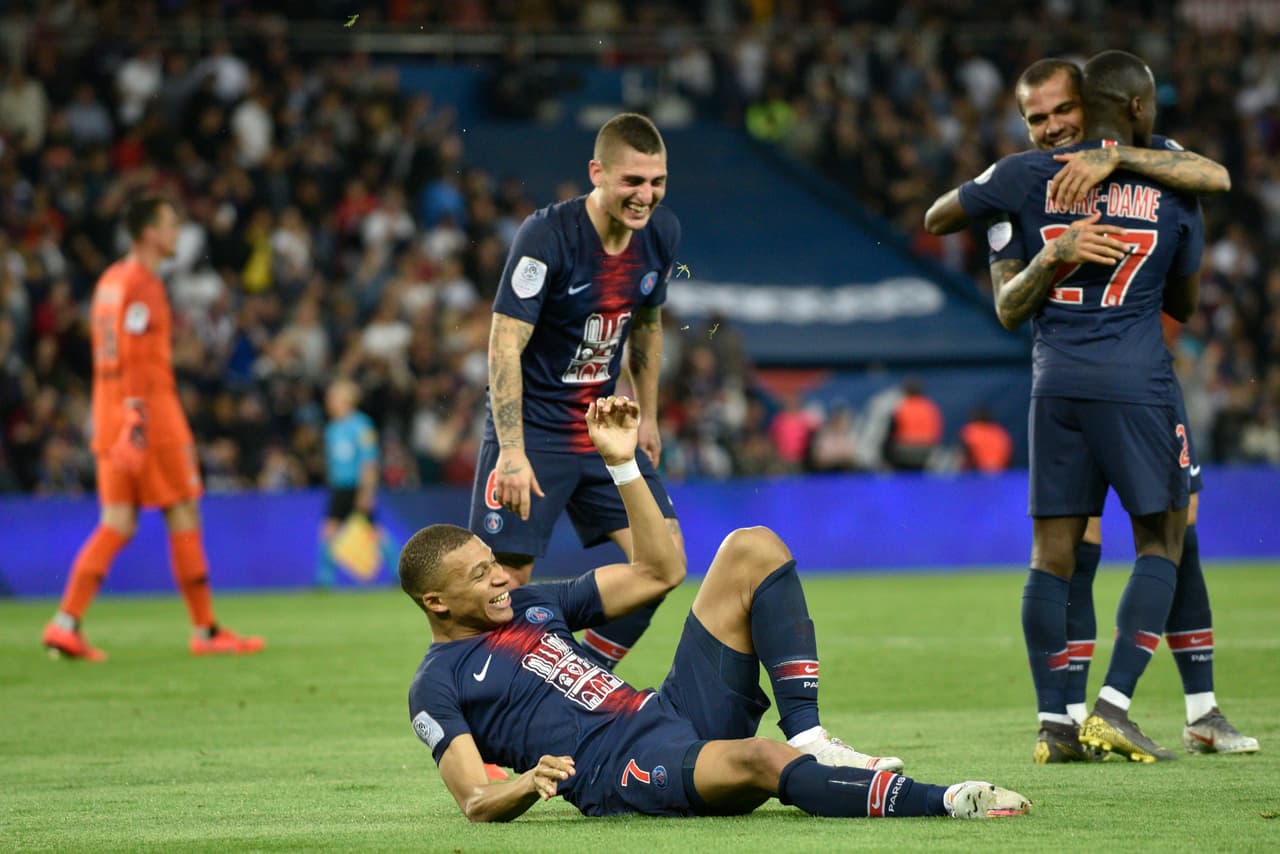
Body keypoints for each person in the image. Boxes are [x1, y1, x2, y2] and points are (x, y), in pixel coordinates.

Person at [404, 394, 1029, 822]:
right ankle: (945, 801)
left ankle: (809, 735)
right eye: (480, 574)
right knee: (759, 760)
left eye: (494, 562)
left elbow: (660, 571)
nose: (500, 577)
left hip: (668, 711)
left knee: (750, 547)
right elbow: (475, 802)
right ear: (435, 601)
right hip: (620, 770)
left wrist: (623, 465)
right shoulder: (438, 685)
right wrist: (526, 782)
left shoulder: (533, 603)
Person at [926, 57, 1256, 760]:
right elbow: (1188, 293)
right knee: (1163, 536)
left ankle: (1065, 721)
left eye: (1059, 113)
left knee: (1065, 552)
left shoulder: (1024, 180)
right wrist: (1060, 243)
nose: (1050, 129)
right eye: (1035, 119)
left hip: (1057, 385)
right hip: (1137, 383)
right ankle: (1107, 706)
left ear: (1089, 103)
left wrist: (1027, 207)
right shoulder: (1164, 174)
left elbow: (940, 216)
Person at [471, 112, 684, 671]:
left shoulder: (661, 235)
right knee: (501, 587)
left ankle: (585, 677)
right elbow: (502, 346)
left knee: (665, 562)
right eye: (632, 181)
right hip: (535, 432)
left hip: (603, 432)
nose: (646, 196)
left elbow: (646, 326)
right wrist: (511, 452)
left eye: (657, 181)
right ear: (598, 172)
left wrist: (651, 418)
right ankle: (484, 722)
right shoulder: (548, 236)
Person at [41, 195, 264, 660]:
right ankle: (205, 631)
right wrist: (138, 422)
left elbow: (110, 353)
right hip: (150, 419)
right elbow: (137, 358)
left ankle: (65, 623)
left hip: (106, 414)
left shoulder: (109, 281)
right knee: (184, 511)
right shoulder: (142, 284)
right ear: (148, 232)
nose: (177, 231)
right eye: (170, 223)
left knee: (117, 522)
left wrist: (121, 419)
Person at [316, 378, 397, 586]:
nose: (329, 403)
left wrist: (367, 491)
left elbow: (369, 462)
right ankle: (324, 580)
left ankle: (398, 572)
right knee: (329, 531)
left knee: (373, 531)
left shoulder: (362, 426)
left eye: (332, 398)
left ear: (346, 400)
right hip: (340, 488)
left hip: (357, 486)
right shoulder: (332, 429)